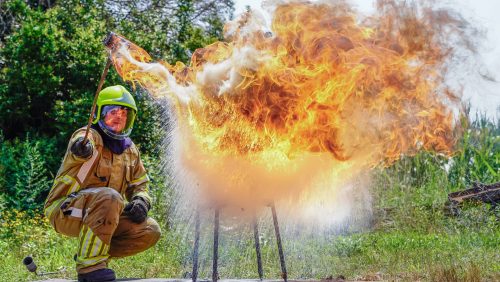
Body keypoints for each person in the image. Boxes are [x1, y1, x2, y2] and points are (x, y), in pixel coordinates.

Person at [44, 85, 161, 282]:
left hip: (105, 213)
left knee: (150, 230)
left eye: (124, 113)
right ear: (100, 114)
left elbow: (140, 185)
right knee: (110, 196)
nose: (119, 117)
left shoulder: (130, 150)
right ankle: (90, 268)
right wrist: (82, 148)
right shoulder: (89, 137)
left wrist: (141, 200)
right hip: (65, 210)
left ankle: (89, 252)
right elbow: (81, 141)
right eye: (113, 111)